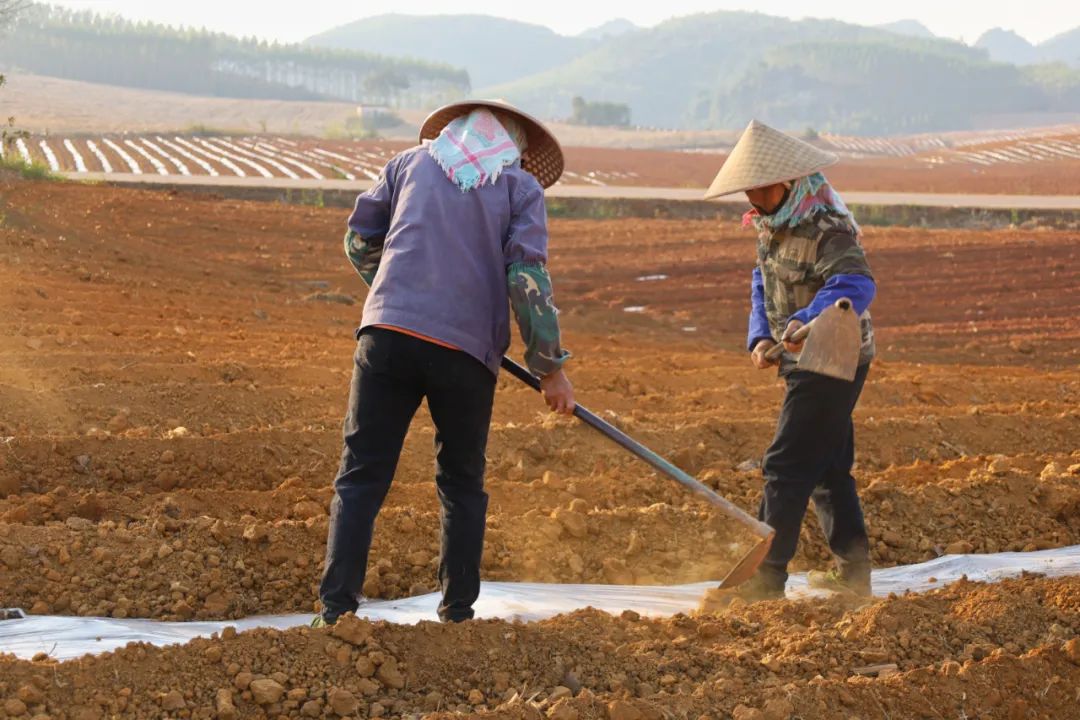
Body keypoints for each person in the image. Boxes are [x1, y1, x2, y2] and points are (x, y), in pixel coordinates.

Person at [314, 100, 575, 626]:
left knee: (361, 474)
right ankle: (457, 613)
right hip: (464, 353)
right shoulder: (519, 188)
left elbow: (359, 239)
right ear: (515, 148)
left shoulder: (408, 164)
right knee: (460, 480)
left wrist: (394, 293)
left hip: (385, 336)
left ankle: (334, 610)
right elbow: (526, 280)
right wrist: (550, 368)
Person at [704, 120, 877, 599]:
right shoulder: (771, 226)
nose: (753, 198)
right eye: (749, 190)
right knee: (826, 466)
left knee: (785, 462)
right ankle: (854, 576)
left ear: (790, 181)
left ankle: (764, 579)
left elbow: (857, 285)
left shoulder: (828, 227)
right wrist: (760, 336)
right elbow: (761, 282)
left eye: (762, 187)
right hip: (800, 358)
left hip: (833, 357)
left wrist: (807, 319)